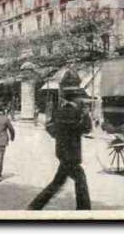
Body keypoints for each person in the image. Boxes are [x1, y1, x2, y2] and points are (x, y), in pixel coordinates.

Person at [28, 78, 92, 210]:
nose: (81, 100)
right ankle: (84, 210)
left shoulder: (59, 111)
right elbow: (86, 129)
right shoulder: (77, 113)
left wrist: (59, 136)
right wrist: (86, 115)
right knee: (80, 181)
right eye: (79, 97)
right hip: (72, 155)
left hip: (62, 152)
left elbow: (49, 126)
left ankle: (36, 205)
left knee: (58, 183)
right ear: (75, 99)